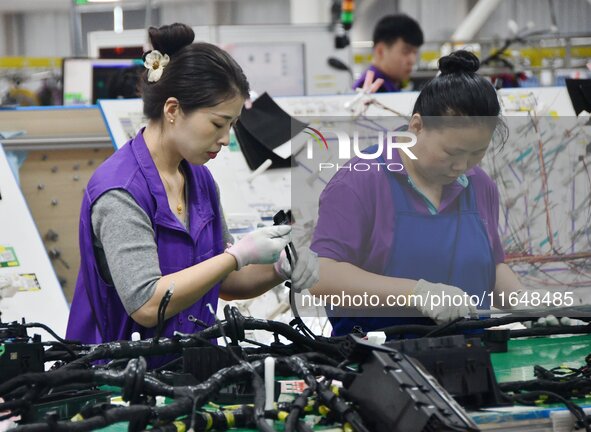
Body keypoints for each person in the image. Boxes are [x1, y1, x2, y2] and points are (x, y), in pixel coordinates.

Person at [66, 23, 319, 347]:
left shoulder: (198, 180)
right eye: (217, 123)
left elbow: (225, 281)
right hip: (117, 379)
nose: (226, 139)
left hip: (187, 369)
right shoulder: (121, 191)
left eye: (232, 125)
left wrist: (280, 269)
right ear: (173, 110)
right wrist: (237, 256)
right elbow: (146, 304)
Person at [311, 50, 527, 336]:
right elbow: (322, 276)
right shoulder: (359, 182)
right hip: (378, 362)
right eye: (452, 152)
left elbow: (492, 267)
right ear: (417, 127)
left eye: (477, 153)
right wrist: (418, 293)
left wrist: (532, 305)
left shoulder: (480, 185)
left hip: (470, 360)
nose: (462, 166)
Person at [353, 14, 424, 93]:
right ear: (380, 51)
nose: (412, 60)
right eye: (406, 51)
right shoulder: (370, 89)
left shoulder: (391, 85)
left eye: (415, 52)